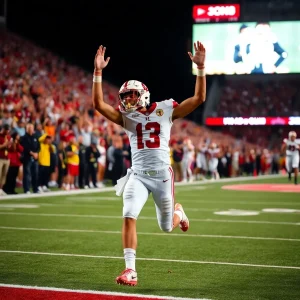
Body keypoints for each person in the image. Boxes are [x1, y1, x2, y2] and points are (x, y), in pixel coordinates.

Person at [92, 41, 206, 286]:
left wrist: (201, 68)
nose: (129, 99)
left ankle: (179, 212)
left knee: (166, 227)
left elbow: (198, 98)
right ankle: (130, 270)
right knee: (128, 214)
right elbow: (98, 105)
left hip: (163, 176)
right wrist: (98, 72)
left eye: (133, 94)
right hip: (138, 176)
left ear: (144, 94)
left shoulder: (166, 109)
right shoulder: (126, 117)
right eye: (125, 95)